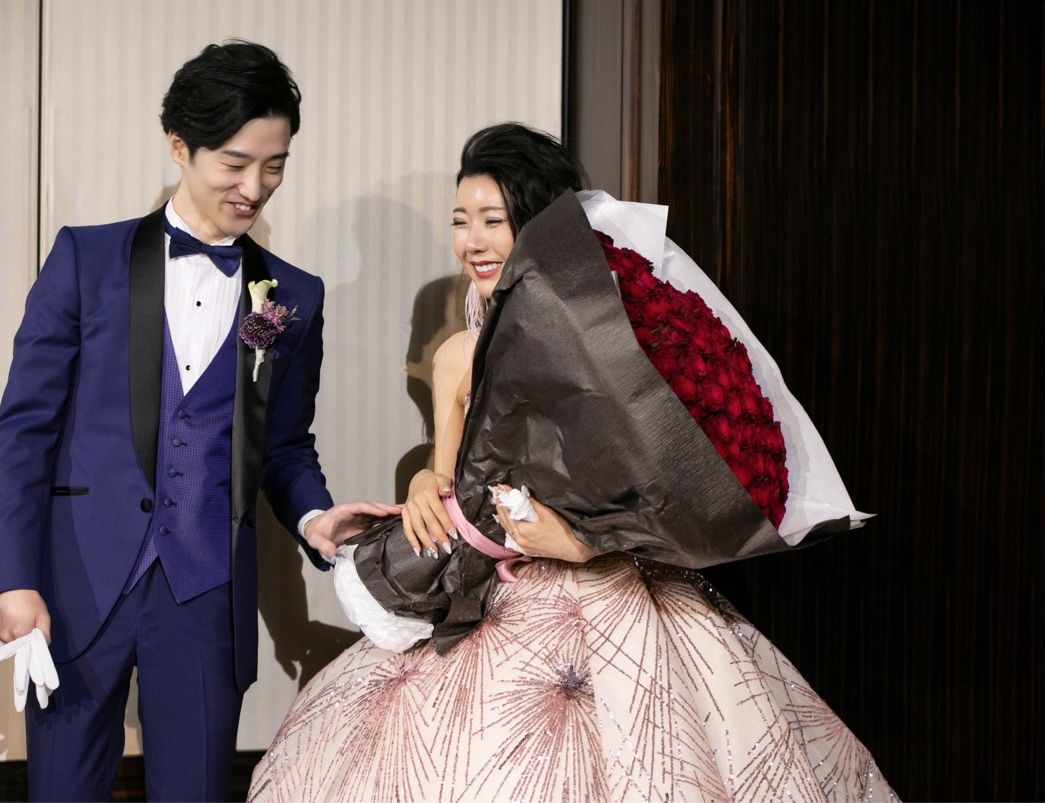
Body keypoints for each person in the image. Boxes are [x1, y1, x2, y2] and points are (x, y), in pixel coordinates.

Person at [246, 123, 897, 802]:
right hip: (500, 591)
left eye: (494, 220)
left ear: (541, 230)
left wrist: (585, 541)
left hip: (615, 591)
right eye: (461, 220)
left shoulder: (611, 343)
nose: (472, 241)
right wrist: (421, 482)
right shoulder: (456, 355)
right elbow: (451, 473)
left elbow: (654, 477)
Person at [0, 41, 397, 801]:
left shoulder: (292, 296)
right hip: (78, 586)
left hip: (205, 593)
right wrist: (13, 579)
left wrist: (313, 517)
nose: (255, 187)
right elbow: (23, 430)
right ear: (180, 146)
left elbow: (283, 445)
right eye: (235, 163)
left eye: (274, 165)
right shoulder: (86, 259)